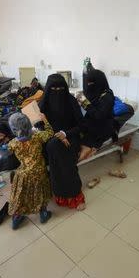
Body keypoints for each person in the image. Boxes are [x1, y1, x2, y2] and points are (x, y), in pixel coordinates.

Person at [41, 74, 86, 210]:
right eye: (53, 89)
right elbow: (39, 126)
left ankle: (74, 194)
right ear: (48, 89)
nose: (57, 92)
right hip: (50, 137)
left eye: (60, 88)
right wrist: (55, 134)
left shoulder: (71, 101)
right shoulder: (43, 103)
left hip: (71, 136)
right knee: (53, 146)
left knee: (58, 150)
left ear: (65, 88)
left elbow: (81, 126)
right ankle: (61, 193)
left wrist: (65, 133)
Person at [6, 112, 53, 230]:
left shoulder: (13, 143)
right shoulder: (38, 136)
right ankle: (43, 214)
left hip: (22, 174)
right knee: (41, 194)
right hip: (39, 172)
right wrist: (45, 120)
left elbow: (8, 149)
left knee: (20, 196)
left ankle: (17, 219)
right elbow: (50, 133)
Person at [77, 69, 115, 161]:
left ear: (99, 82)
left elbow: (99, 115)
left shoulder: (107, 96)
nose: (89, 85)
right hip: (91, 123)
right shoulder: (94, 92)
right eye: (88, 83)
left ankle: (74, 165)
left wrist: (85, 103)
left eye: (91, 83)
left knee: (86, 143)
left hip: (103, 126)